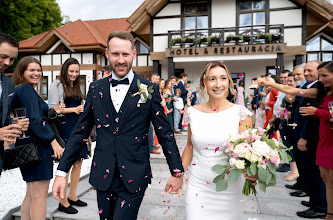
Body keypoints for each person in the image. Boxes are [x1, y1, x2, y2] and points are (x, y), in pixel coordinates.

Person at [52, 31, 184, 220]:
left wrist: (177, 172)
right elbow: (80, 132)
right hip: (103, 175)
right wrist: (61, 172)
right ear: (107, 54)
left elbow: (164, 133)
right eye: (115, 54)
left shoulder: (148, 89)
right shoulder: (96, 89)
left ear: (134, 54)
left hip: (135, 173)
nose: (120, 60)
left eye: (125, 54)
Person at [181, 61, 255, 220]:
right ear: (204, 83)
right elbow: (189, 146)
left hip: (230, 188)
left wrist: (254, 173)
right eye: (212, 79)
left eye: (223, 78)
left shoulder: (241, 114)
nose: (218, 84)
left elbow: (248, 154)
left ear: (229, 82)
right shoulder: (193, 112)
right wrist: (177, 174)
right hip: (198, 185)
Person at [258, 61, 328, 219]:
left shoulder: (319, 90)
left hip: (314, 135)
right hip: (306, 132)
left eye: (310, 71)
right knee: (311, 169)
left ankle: (320, 206)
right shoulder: (314, 88)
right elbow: (291, 90)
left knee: (318, 172)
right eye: (305, 71)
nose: (306, 73)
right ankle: (315, 201)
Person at [11, 56, 64, 220]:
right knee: (40, 197)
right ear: (22, 71)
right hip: (38, 147)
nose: (36, 73)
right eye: (31, 70)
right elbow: (35, 120)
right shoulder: (26, 89)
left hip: (27, 146)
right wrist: (53, 141)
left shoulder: (20, 89)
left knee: (31, 194)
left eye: (38, 70)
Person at [48, 57, 87, 214]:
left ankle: (72, 196)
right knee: (67, 163)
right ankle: (62, 202)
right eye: (71, 71)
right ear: (65, 70)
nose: (74, 74)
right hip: (65, 127)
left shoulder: (76, 85)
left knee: (79, 161)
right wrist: (76, 109)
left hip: (78, 125)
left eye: (77, 71)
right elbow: (53, 109)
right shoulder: (56, 84)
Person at [0, 33, 25, 175]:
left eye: (12, 59)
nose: (8, 63)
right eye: (3, 57)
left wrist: (11, 123)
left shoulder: (9, 84)